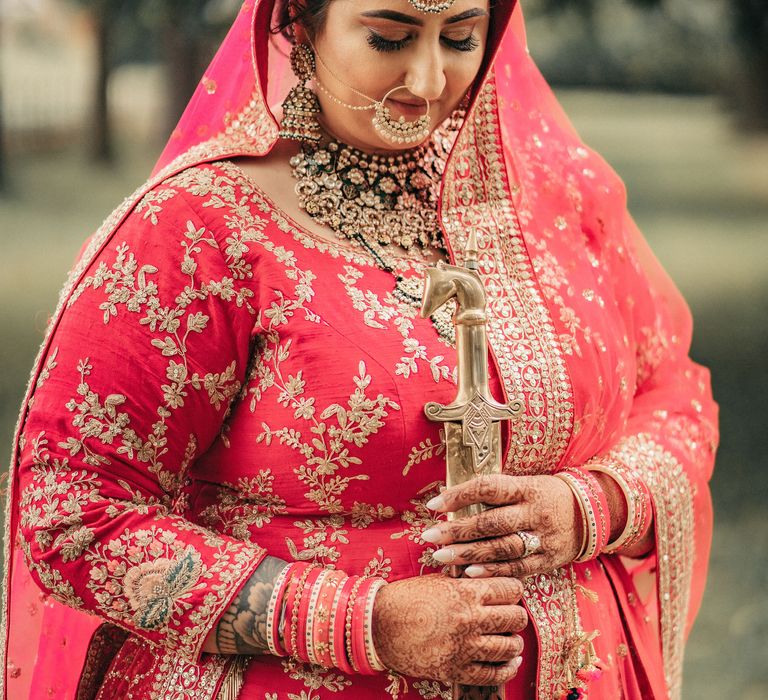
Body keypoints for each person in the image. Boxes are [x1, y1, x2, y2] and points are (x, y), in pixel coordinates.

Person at [1, 0, 718, 698]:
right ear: (300, 22)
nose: (429, 80)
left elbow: (675, 392)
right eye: (389, 38)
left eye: (461, 38)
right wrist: (363, 623)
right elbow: (73, 510)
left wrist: (592, 506)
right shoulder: (201, 230)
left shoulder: (561, 199)